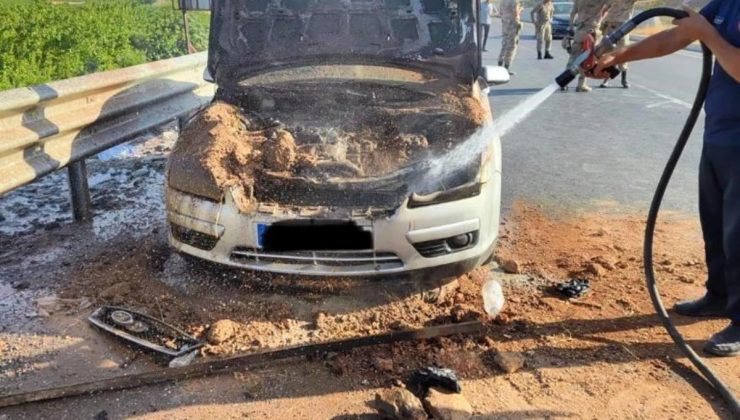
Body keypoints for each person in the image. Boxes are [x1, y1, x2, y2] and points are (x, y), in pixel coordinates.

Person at [595, 2, 740, 356]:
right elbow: (676, 36)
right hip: (720, 135)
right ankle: (719, 296)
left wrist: (707, 34)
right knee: (718, 224)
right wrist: (619, 56)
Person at [567, 0, 611, 92]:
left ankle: (565, 81)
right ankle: (581, 84)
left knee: (574, 56)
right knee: (588, 59)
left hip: (580, 30)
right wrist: (601, 16)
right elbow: (610, 4)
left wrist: (571, 27)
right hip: (592, 31)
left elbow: (572, 13)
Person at [598, 0, 638, 88]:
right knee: (608, 53)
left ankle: (624, 80)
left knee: (623, 52)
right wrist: (601, 22)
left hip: (623, 27)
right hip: (609, 26)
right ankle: (606, 79)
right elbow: (604, 9)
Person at [498, 0, 522, 74]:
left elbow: (500, 13)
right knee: (512, 46)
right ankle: (506, 67)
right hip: (512, 25)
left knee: (504, 44)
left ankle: (500, 64)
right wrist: (520, 9)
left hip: (505, 24)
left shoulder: (502, 1)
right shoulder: (514, 1)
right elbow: (516, 13)